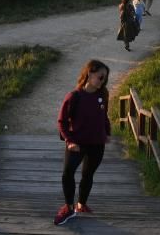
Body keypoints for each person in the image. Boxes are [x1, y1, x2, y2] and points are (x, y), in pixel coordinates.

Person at [55, 59, 111, 226]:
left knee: (88, 175)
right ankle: (68, 207)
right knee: (67, 174)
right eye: (101, 77)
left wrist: (107, 132)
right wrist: (69, 140)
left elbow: (104, 115)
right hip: (76, 143)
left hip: (97, 143)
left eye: (105, 79)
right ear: (89, 73)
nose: (103, 81)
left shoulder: (103, 94)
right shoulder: (74, 96)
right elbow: (62, 121)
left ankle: (81, 204)